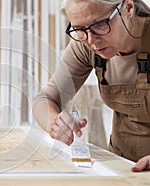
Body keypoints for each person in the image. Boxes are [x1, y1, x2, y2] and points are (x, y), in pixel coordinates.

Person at [33, 0, 150, 171]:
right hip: (121, 167)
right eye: (80, 30)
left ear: (129, 8)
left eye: (100, 25)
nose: (91, 40)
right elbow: (45, 98)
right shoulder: (86, 46)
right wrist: (54, 122)